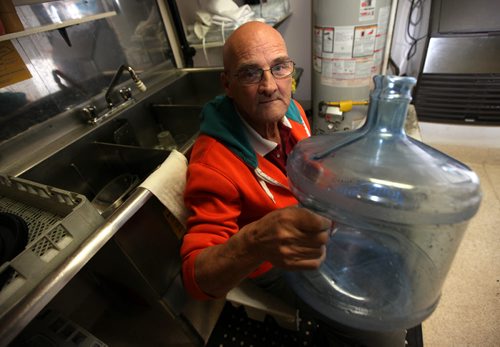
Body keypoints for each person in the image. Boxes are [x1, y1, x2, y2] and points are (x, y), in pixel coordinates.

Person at [180, 21, 407, 346]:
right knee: (381, 333)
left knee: (392, 252)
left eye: (279, 67)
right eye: (249, 73)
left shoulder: (294, 111)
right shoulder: (213, 163)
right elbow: (194, 279)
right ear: (227, 83)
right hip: (275, 260)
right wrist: (255, 241)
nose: (270, 86)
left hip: (319, 226)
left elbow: (310, 166)